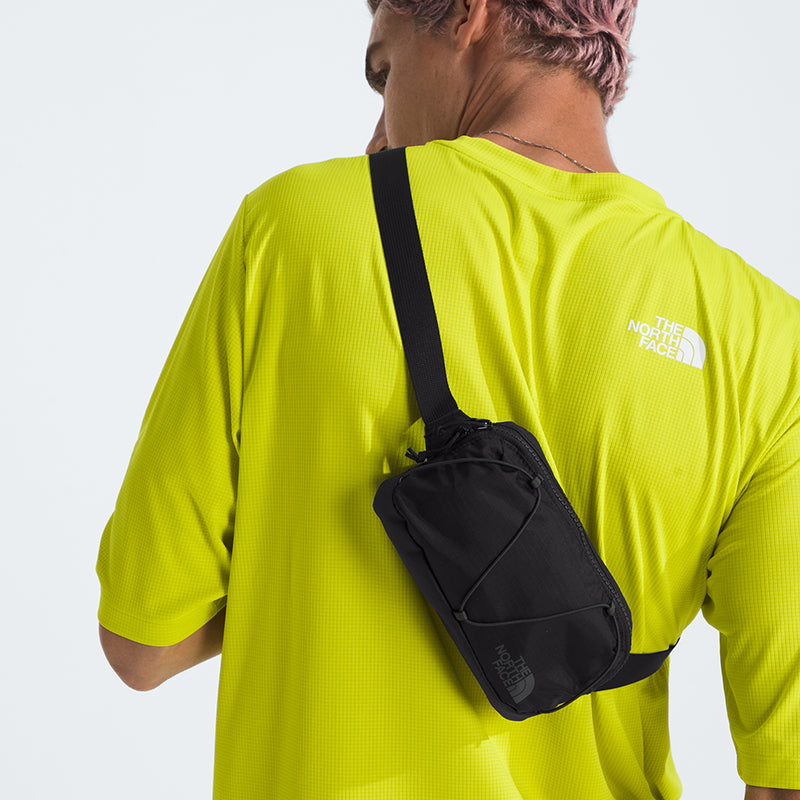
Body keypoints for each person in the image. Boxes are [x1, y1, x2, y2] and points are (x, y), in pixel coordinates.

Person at [96, 1, 800, 798]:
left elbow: (142, 644)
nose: (377, 138)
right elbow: (787, 774)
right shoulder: (766, 341)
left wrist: (318, 572)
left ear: (470, 13)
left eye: (384, 71)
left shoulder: (294, 231)